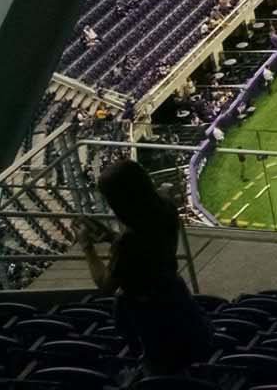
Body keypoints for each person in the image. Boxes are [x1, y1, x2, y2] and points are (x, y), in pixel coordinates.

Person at [81, 160, 212, 373]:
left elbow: (106, 285)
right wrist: (111, 237)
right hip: (176, 296)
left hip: (150, 315)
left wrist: (87, 247)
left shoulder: (128, 242)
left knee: (162, 367)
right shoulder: (166, 208)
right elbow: (149, 245)